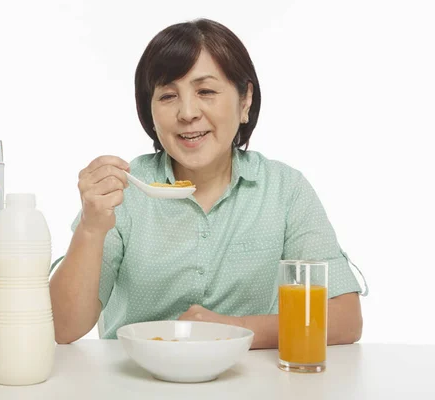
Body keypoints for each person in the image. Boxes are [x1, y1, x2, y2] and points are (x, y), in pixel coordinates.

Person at [49, 18, 367, 348]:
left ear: (245, 100)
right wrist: (90, 228)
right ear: (150, 110)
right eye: (168, 95)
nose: (187, 112)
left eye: (206, 91)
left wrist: (233, 328)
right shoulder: (123, 193)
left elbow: (344, 319)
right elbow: (62, 328)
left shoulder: (285, 190)